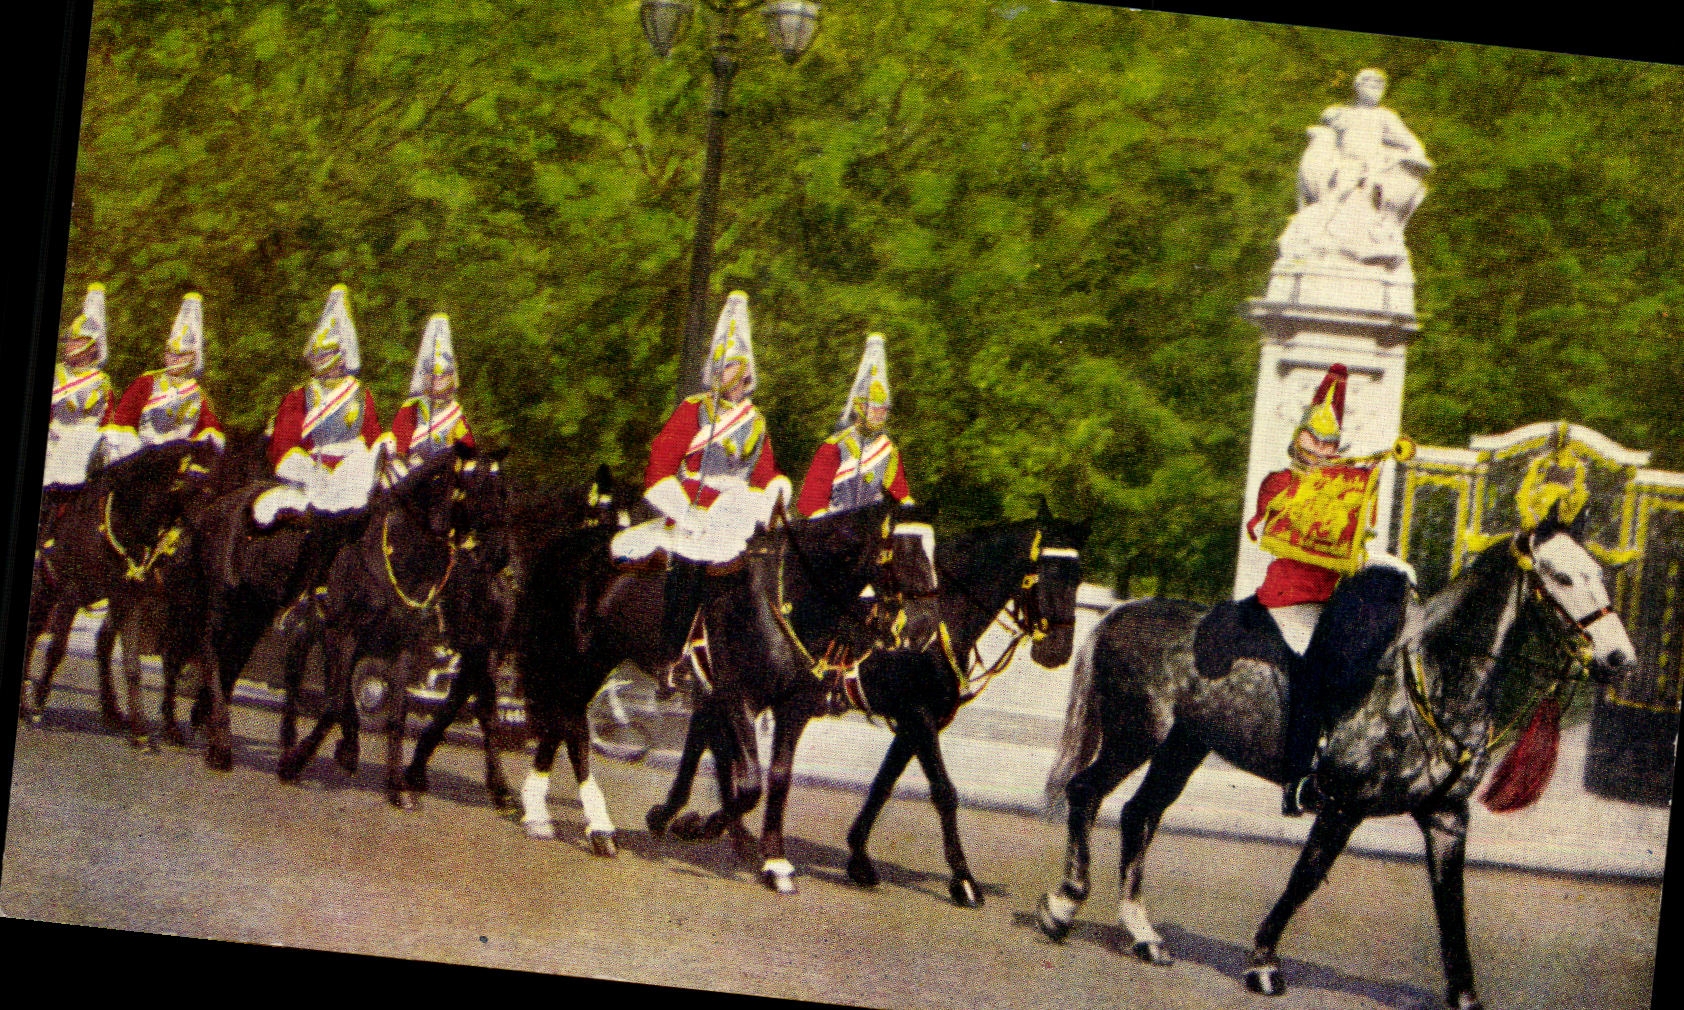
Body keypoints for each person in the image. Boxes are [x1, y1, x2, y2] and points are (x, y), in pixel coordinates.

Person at [1245, 363, 1415, 816]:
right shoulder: (1279, 483)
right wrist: (1318, 492)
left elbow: (1358, 543)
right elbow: (1268, 530)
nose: (1322, 449)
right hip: (1291, 596)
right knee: (1313, 672)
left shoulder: (1347, 487)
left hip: (1336, 597)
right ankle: (1297, 780)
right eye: (1315, 440)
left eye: (1331, 444)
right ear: (1298, 439)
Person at [612, 291, 793, 678]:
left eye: (729, 367)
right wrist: (685, 510)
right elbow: (660, 467)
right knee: (692, 560)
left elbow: (765, 474)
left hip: (740, 512)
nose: (721, 374)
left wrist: (776, 493)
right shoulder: (693, 410)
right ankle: (671, 650)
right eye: (718, 366)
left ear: (746, 372)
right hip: (694, 510)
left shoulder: (756, 422)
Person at [252, 284, 384, 529]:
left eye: (325, 355)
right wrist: (309, 468)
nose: (319, 361)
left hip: (355, 470)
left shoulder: (361, 394)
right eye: (318, 355)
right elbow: (282, 446)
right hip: (314, 471)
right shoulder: (298, 397)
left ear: (341, 356)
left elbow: (372, 436)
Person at [797, 333, 913, 518]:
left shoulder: (888, 451)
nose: (879, 414)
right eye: (874, 408)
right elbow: (812, 498)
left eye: (883, 409)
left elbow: (899, 494)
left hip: (874, 531)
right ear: (859, 407)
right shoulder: (835, 446)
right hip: (836, 527)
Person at [105, 292, 226, 462]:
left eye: (182, 355)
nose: (174, 359)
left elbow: (209, 430)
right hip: (142, 459)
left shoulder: (197, 393)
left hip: (179, 461)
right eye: (171, 353)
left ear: (193, 357)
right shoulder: (145, 383)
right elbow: (123, 421)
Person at [40, 283, 115, 552]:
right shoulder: (56, 375)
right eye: (71, 340)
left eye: (79, 341)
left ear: (92, 346)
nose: (72, 345)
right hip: (56, 435)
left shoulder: (102, 382)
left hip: (87, 440)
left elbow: (107, 417)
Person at [390, 313, 474, 473]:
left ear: (451, 376)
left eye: (443, 375)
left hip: (446, 473)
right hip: (415, 472)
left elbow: (467, 445)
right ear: (426, 376)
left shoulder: (454, 411)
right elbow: (399, 445)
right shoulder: (413, 407)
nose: (438, 380)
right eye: (434, 375)